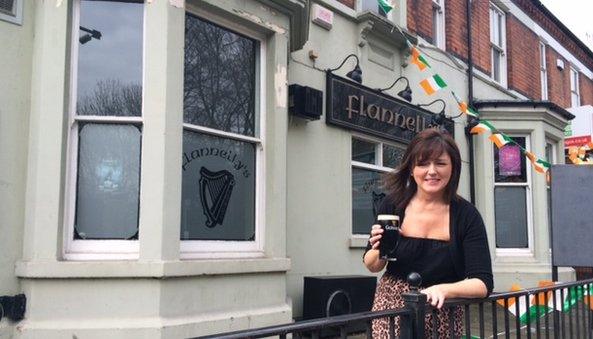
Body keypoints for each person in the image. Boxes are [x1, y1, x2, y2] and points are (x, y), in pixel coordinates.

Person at [363, 128, 493, 338]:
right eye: (423, 163)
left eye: (440, 163)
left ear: (453, 168)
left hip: (442, 310)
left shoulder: (467, 215)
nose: (431, 171)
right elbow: (372, 265)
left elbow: (483, 283)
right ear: (411, 169)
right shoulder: (393, 205)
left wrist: (444, 289)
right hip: (392, 307)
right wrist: (379, 247)